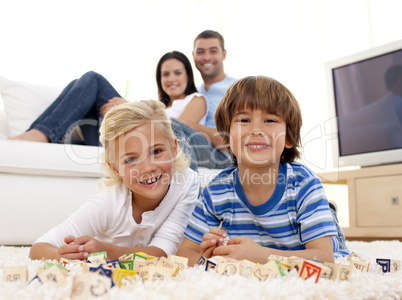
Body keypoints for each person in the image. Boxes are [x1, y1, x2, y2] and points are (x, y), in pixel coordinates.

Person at [176, 76, 349, 266]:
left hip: (308, 239)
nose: (256, 129)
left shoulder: (304, 184)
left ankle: (328, 212)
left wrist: (260, 255)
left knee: (335, 242)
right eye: (244, 119)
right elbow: (184, 254)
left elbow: (326, 259)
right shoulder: (216, 191)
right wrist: (208, 257)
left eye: (270, 120)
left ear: (288, 138)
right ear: (226, 136)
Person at [29, 100, 199, 261]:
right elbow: (39, 248)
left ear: (174, 148)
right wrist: (70, 256)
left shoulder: (186, 182)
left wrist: (108, 251)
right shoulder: (107, 203)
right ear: (115, 169)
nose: (147, 168)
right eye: (130, 160)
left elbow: (162, 252)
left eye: (156, 152)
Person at [9, 51, 206, 171]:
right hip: (123, 142)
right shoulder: (158, 104)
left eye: (177, 73)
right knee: (79, 87)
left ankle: (41, 135)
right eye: (165, 74)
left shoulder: (195, 99)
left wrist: (130, 105)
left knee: (93, 81)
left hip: (137, 145)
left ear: (188, 76)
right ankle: (35, 134)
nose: (171, 78)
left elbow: (176, 129)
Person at [170, 30, 238, 169]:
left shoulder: (238, 89)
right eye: (200, 52)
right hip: (195, 151)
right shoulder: (193, 93)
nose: (206, 57)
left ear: (223, 54)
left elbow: (234, 141)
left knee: (170, 124)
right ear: (193, 55)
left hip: (223, 158)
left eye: (213, 51)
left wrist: (190, 126)